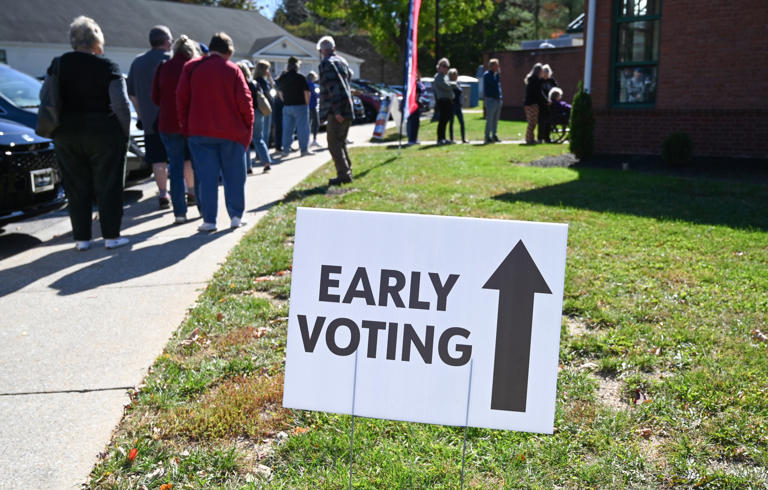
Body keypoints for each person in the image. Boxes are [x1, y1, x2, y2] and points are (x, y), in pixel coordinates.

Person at [46, 16, 131, 250]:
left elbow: (48, 97)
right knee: (109, 185)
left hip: (66, 132)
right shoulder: (108, 66)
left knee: (75, 187)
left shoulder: (58, 64)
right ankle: (111, 236)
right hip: (104, 132)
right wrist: (124, 133)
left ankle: (82, 239)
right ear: (97, 40)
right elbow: (121, 104)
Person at [176, 32, 253, 232]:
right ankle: (236, 216)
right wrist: (247, 129)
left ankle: (209, 220)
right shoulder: (233, 69)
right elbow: (246, 103)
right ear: (229, 51)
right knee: (234, 176)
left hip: (199, 132)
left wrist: (186, 127)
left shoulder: (191, 68)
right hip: (232, 132)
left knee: (207, 177)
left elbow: (181, 100)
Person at [152, 35, 201, 224]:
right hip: (191, 124)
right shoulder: (193, 67)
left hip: (168, 123)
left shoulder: (163, 68)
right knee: (197, 166)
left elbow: (155, 97)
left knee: (176, 168)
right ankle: (203, 208)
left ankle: (179, 213)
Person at [127, 25, 172, 209]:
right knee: (181, 157)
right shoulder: (173, 60)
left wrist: (140, 115)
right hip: (173, 120)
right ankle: (190, 191)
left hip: (150, 121)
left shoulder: (138, 63)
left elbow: (132, 95)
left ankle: (163, 194)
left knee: (158, 159)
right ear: (167, 41)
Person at [317, 35, 354, 186]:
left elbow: (334, 88)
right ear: (334, 48)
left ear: (321, 51)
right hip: (347, 105)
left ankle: (343, 174)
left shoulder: (326, 64)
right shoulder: (342, 61)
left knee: (333, 143)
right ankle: (347, 170)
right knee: (341, 141)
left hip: (337, 109)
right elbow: (347, 81)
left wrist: (337, 111)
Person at [277, 56, 311, 157]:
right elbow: (306, 92)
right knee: (302, 129)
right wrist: (307, 103)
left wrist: (286, 101)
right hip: (300, 105)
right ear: (297, 66)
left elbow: (280, 93)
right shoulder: (300, 77)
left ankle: (286, 150)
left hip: (287, 106)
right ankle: (304, 150)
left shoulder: (282, 77)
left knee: (287, 129)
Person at [254, 60, 275, 166]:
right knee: (264, 135)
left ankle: (260, 155)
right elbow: (270, 91)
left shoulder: (258, 80)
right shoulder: (261, 81)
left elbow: (272, 86)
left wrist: (269, 77)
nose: (268, 71)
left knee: (260, 134)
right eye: (267, 69)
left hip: (261, 109)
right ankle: (264, 157)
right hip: (264, 109)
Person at [433, 58, 455, 145]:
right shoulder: (438, 76)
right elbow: (447, 86)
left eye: (447, 66)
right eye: (444, 66)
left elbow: (449, 85)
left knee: (446, 120)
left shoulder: (445, 77)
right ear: (439, 66)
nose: (446, 68)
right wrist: (453, 84)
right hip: (442, 101)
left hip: (448, 101)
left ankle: (444, 138)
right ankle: (440, 139)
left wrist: (451, 84)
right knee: (442, 120)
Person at [523, 63, 544, 145]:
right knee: (532, 122)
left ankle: (531, 138)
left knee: (532, 122)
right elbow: (538, 93)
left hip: (528, 103)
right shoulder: (535, 80)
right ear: (539, 71)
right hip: (532, 104)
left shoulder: (531, 79)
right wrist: (545, 101)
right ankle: (528, 139)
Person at [483, 58, 502, 143]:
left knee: (496, 119)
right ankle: (487, 136)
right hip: (490, 100)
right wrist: (497, 74)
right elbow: (494, 84)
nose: (498, 67)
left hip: (498, 99)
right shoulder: (487, 75)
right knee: (490, 119)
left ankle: (494, 134)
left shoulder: (496, 75)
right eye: (496, 65)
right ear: (492, 66)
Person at [538, 64, 558, 143]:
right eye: (544, 72)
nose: (546, 73)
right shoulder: (540, 81)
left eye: (547, 71)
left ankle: (547, 137)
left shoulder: (552, 81)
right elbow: (539, 92)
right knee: (541, 121)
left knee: (549, 121)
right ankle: (540, 138)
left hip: (551, 104)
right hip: (542, 104)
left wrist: (553, 100)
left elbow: (556, 90)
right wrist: (545, 101)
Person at [448, 68, 467, 143]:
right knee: (451, 122)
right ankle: (451, 139)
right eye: (455, 75)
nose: (456, 76)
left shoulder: (457, 83)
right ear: (451, 76)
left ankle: (463, 138)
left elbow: (460, 92)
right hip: (452, 105)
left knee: (462, 122)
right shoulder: (449, 84)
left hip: (458, 105)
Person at [406, 75, 425, 145]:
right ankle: (411, 139)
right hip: (412, 105)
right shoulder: (411, 85)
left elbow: (421, 90)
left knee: (416, 123)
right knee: (412, 122)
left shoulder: (417, 84)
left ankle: (414, 138)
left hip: (415, 105)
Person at [307, 71, 321, 147]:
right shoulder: (312, 85)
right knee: (316, 123)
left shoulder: (305, 84)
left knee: (308, 124)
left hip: (306, 106)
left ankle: (307, 140)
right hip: (312, 106)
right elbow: (316, 95)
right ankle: (314, 140)